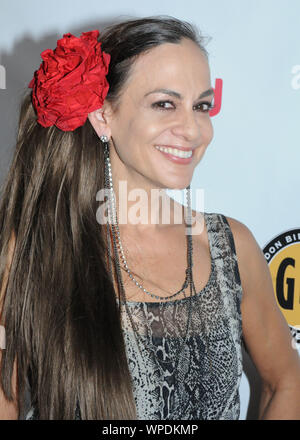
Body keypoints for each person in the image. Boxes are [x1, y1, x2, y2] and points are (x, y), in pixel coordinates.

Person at [0, 16, 299, 421]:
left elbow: (286, 379)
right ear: (104, 116)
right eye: (164, 104)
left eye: (202, 106)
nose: (193, 130)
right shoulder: (35, 250)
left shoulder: (231, 246)